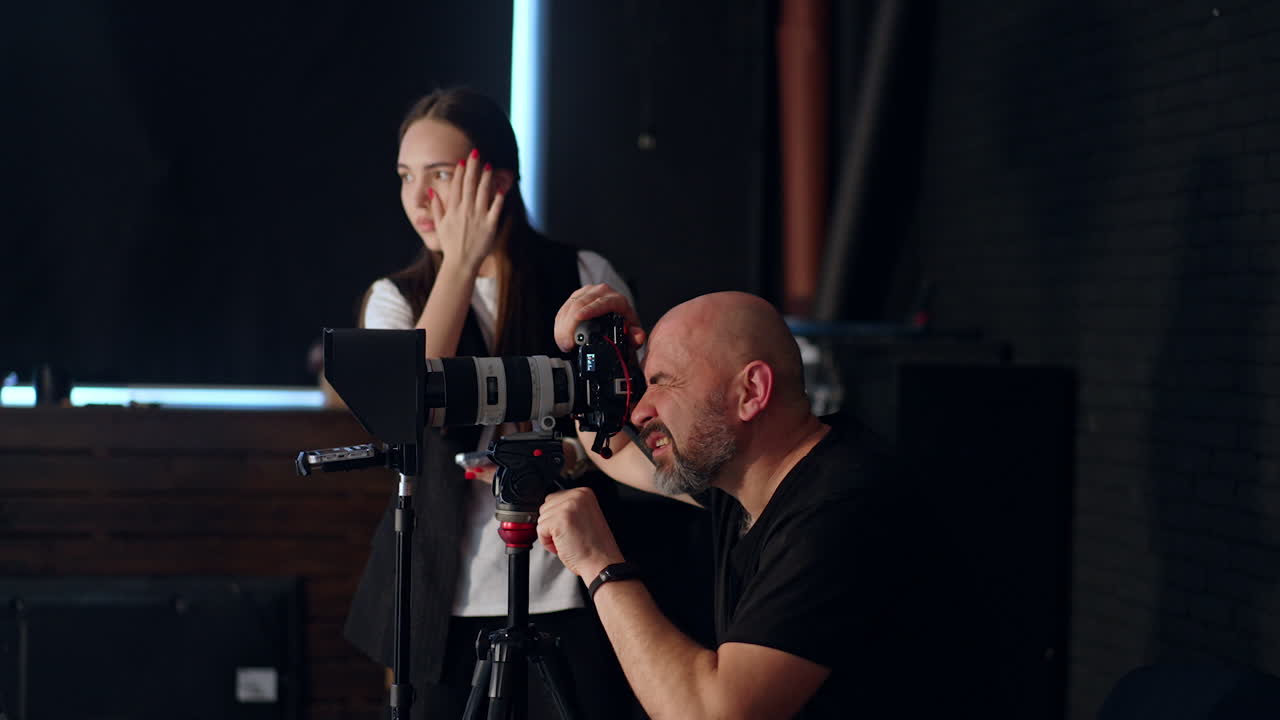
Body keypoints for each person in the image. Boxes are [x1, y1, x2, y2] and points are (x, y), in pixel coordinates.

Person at [537, 285, 981, 718]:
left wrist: (601, 565)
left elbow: (710, 714)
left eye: (663, 382)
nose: (639, 410)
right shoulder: (752, 475)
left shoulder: (843, 511)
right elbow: (613, 448)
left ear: (750, 392)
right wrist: (593, 353)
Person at [342, 88, 634, 719]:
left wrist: (573, 453)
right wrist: (460, 264)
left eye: (441, 175)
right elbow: (404, 408)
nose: (419, 198)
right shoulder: (395, 298)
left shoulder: (580, 272)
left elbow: (626, 410)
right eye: (405, 177)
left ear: (496, 179)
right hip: (442, 593)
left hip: (568, 583)